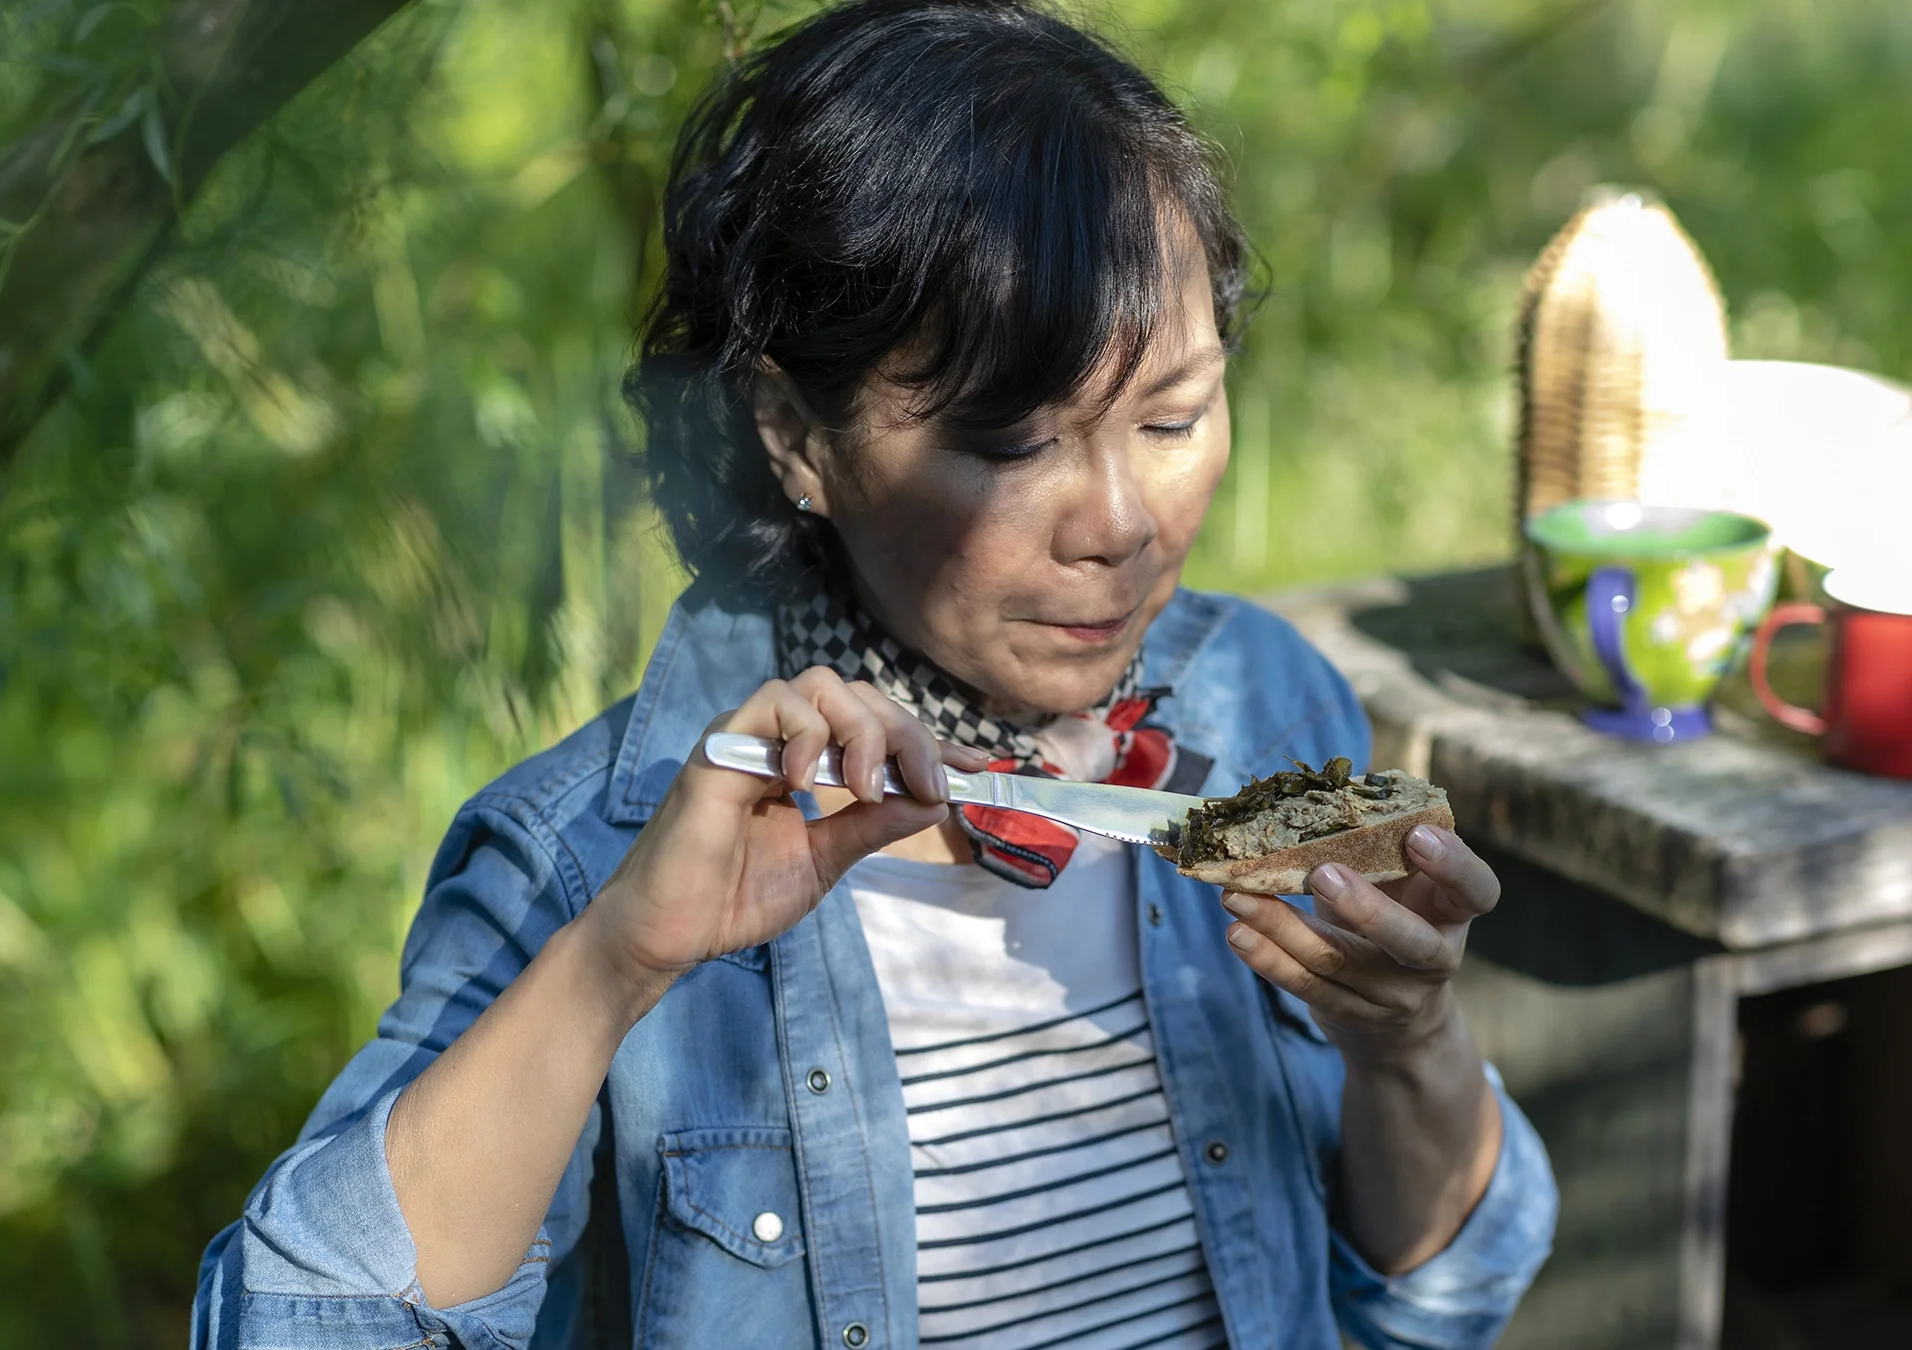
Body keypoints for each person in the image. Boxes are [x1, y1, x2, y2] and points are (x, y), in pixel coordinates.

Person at [191, 1, 1556, 1346]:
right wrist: (616, 963)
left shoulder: (1258, 704)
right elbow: (291, 1325)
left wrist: (1409, 1038)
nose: (1123, 522)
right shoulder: (604, 847)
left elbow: (1437, 1300)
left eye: (1174, 416)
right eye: (1013, 445)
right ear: (795, 436)